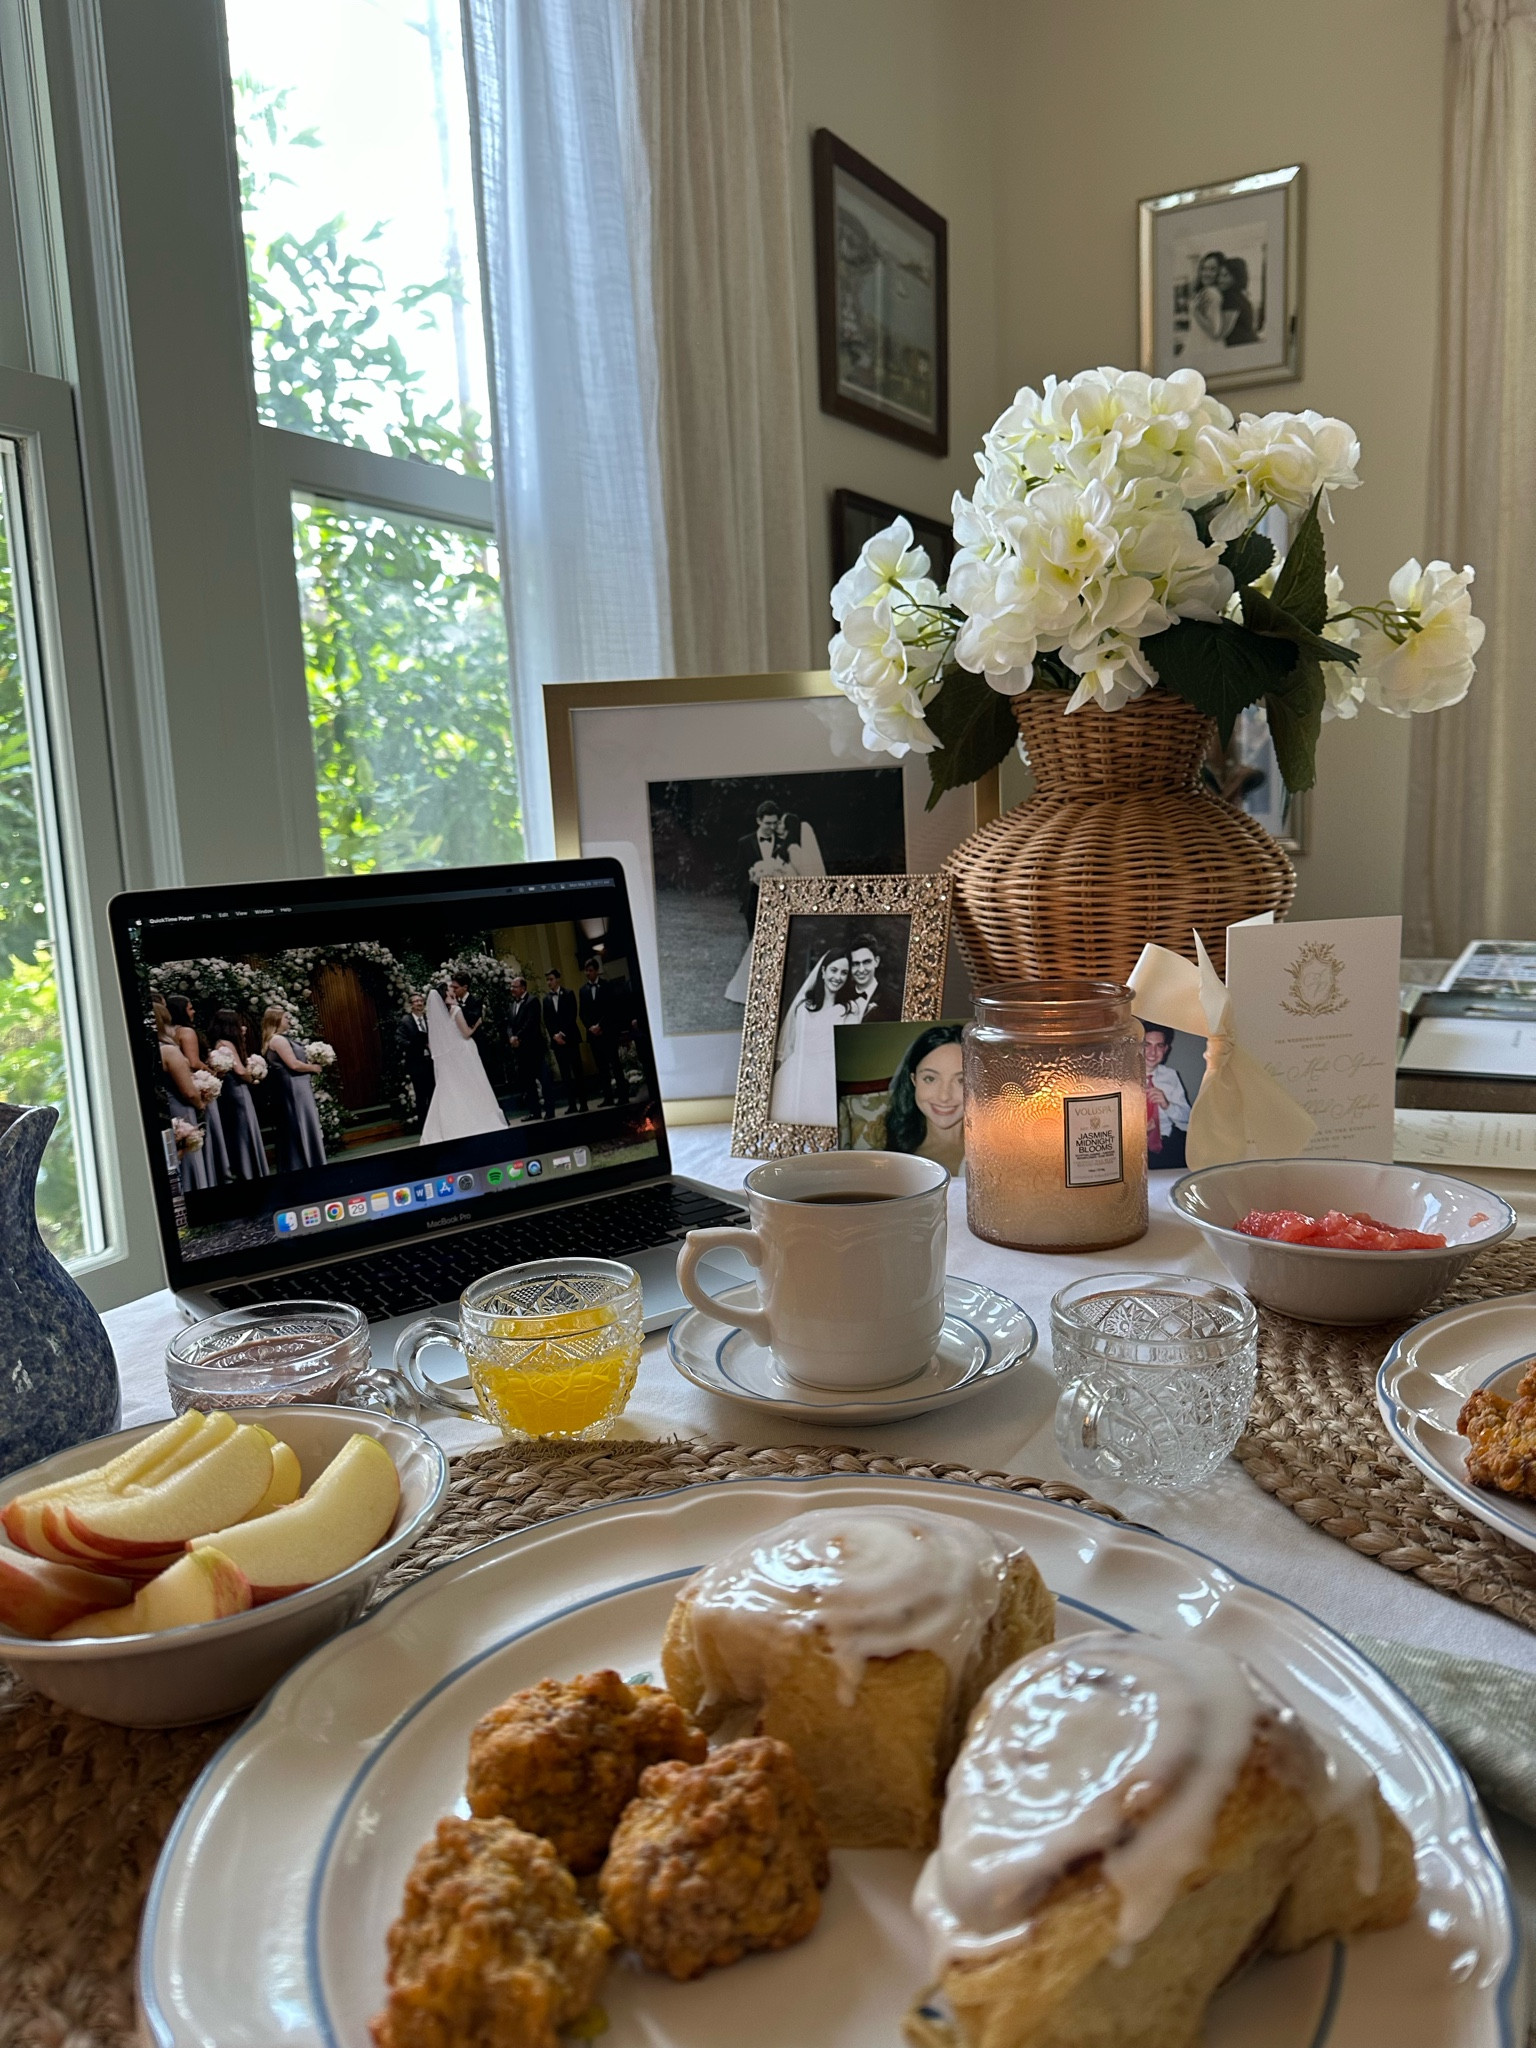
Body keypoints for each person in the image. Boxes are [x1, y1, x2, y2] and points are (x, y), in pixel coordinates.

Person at [769, 947, 852, 1125]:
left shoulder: (845, 1011)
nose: (838, 977)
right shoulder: (804, 1008)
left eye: (844, 973)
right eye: (834, 970)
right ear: (823, 971)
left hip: (828, 1078)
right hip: (799, 1075)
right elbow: (792, 1046)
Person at [421, 984, 507, 1144]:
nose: (452, 991)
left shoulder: (437, 1016)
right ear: (445, 994)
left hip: (451, 1055)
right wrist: (477, 1024)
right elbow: (466, 1033)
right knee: (472, 1084)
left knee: (454, 1087)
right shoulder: (455, 1011)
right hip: (463, 1051)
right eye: (449, 990)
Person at [165, 992, 231, 1183]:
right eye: (190, 1008)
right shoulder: (187, 1032)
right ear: (182, 1011)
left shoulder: (170, 1033)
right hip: (199, 1086)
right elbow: (193, 1062)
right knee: (209, 1128)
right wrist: (211, 1071)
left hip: (179, 1088)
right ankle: (218, 1173)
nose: (193, 1011)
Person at [884, 1024, 965, 1175]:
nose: (944, 1096)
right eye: (930, 1078)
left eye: (961, 1081)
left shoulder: (1001, 1148)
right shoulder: (893, 1164)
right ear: (914, 1080)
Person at [155, 996, 214, 1191]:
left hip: (167, 1110)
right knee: (190, 1158)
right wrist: (200, 1104)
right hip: (182, 1109)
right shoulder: (169, 1051)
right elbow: (188, 1091)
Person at [261, 1005, 327, 1172]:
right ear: (276, 1020)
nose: (289, 1020)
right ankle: (305, 1162)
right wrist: (313, 1068)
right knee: (299, 1123)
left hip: (298, 1086)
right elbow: (293, 1064)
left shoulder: (281, 1038)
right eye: (285, 1018)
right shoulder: (278, 1040)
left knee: (303, 1123)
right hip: (293, 1088)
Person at [210, 1008, 269, 1179]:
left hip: (231, 1092)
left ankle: (247, 1168)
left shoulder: (220, 1042)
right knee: (244, 1129)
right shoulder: (225, 1044)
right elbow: (240, 1070)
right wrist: (253, 1078)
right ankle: (249, 1170)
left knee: (239, 1130)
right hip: (237, 1092)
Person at [578, 957, 627, 1106]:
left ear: (597, 971)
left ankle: (623, 1095)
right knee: (601, 1067)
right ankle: (608, 1097)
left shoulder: (607, 985)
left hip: (607, 1032)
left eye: (590, 970)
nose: (588, 973)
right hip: (593, 1035)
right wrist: (590, 1027)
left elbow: (611, 1008)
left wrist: (600, 1025)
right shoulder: (583, 990)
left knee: (615, 1064)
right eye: (586, 970)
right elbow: (582, 1013)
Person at [1143, 1023, 1192, 1171]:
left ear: (1165, 1049)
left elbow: (1188, 1117)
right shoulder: (1123, 1078)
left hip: (1167, 1142)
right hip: (1133, 1147)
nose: (1153, 1052)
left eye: (1159, 1046)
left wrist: (1167, 1105)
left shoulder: (1171, 1076)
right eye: (1147, 1045)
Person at [542, 967, 587, 1115]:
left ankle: (584, 1102)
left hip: (570, 1038)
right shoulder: (546, 999)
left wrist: (562, 1033)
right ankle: (572, 1104)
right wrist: (555, 1035)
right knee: (565, 1074)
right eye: (547, 980)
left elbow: (572, 1015)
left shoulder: (568, 994)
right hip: (557, 1041)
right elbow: (547, 1021)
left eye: (551, 979)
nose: (549, 982)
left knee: (577, 1071)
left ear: (558, 979)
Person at [506, 973, 551, 1121]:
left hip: (534, 1048)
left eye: (515, 986)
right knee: (528, 1082)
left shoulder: (532, 1001)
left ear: (523, 987)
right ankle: (534, 1112)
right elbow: (509, 1024)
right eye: (511, 986)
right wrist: (511, 1036)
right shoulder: (512, 1004)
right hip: (521, 1050)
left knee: (543, 1080)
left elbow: (531, 1023)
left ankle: (549, 1111)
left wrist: (517, 1036)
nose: (512, 989)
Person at [396, 992, 435, 1126]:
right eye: (416, 1001)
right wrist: (416, 1046)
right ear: (411, 1005)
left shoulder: (429, 1018)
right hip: (416, 1063)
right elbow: (400, 1040)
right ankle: (423, 1124)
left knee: (433, 1092)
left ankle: (435, 1121)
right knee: (420, 1094)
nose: (419, 1003)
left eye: (421, 1000)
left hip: (431, 1061)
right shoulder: (405, 1021)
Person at [846, 933, 896, 1023]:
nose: (861, 970)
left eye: (866, 962)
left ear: (876, 961)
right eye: (856, 964)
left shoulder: (894, 1002)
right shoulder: (840, 996)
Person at [1218, 255, 1258, 347]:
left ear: (1236, 278)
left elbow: (1222, 332)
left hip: (1242, 347)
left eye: (1225, 275)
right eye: (1219, 275)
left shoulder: (1230, 296)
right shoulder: (1240, 296)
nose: (1220, 280)